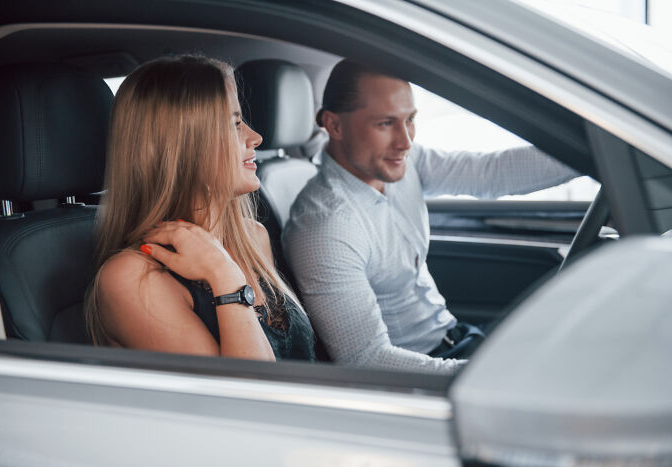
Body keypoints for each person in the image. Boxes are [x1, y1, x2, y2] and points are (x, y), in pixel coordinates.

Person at [283, 60, 577, 374]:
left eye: (410, 120)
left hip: (457, 338)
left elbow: (492, 173)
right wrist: (486, 376)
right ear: (335, 126)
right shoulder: (325, 226)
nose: (405, 142)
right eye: (385, 123)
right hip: (423, 374)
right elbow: (366, 358)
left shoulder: (401, 162)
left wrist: (592, 154)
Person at [85, 55, 314, 362]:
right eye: (234, 125)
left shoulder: (252, 237)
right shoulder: (132, 279)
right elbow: (248, 401)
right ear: (182, 146)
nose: (256, 137)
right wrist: (224, 275)